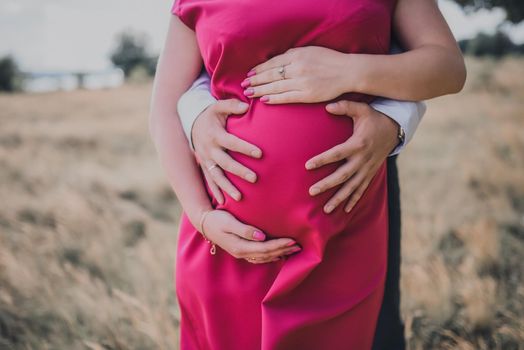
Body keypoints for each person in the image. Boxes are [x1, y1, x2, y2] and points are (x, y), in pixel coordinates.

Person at [149, 0, 466, 348]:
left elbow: (448, 67)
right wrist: (203, 217)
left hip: (345, 232)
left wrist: (349, 72)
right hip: (226, 239)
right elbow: (166, 104)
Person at [177, 69, 424, 349]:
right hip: (228, 233)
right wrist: (196, 118)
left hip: (353, 212)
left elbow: (426, 61)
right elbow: (179, 83)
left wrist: (394, 119)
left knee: (371, 334)